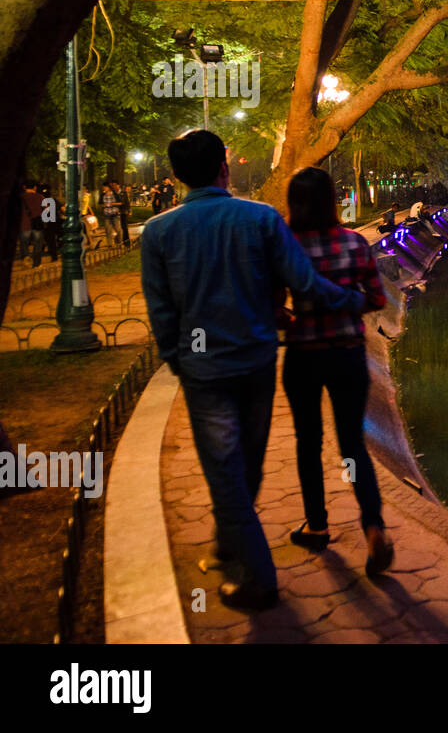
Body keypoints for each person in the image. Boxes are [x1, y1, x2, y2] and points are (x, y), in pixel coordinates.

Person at [140, 130, 366, 611]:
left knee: (228, 472)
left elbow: (161, 310)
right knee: (245, 466)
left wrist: (175, 358)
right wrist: (350, 300)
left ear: (177, 176)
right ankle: (247, 560)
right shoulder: (260, 219)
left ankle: (251, 570)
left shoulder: (159, 232)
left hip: (204, 371)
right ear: (224, 166)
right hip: (258, 362)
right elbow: (302, 282)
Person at [278, 167, 393, 576]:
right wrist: (346, 305)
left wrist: (297, 321)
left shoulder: (285, 247)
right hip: (347, 355)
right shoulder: (354, 243)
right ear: (331, 199)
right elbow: (377, 298)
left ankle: (318, 524)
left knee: (307, 442)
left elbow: (273, 306)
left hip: (303, 357)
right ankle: (374, 527)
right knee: (353, 446)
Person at [16, 179, 45, 267]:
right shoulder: (40, 197)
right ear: (35, 187)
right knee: (38, 244)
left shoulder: (20, 198)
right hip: (37, 224)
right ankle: (36, 263)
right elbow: (47, 210)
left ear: (24, 187)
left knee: (24, 243)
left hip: (24, 224)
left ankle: (26, 260)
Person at [38, 184, 61, 260]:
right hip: (56, 221)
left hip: (47, 223)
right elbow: (61, 208)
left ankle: (54, 256)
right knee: (57, 238)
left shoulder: (41, 200)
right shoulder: (53, 200)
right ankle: (58, 253)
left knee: (50, 240)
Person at [99, 182, 120, 246]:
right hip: (107, 215)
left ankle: (118, 241)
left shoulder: (115, 194)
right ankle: (110, 245)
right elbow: (100, 204)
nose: (104, 188)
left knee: (118, 230)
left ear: (109, 188)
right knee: (108, 230)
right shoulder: (102, 195)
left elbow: (120, 203)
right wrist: (104, 205)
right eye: (104, 187)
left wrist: (112, 204)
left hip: (115, 214)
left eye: (105, 187)